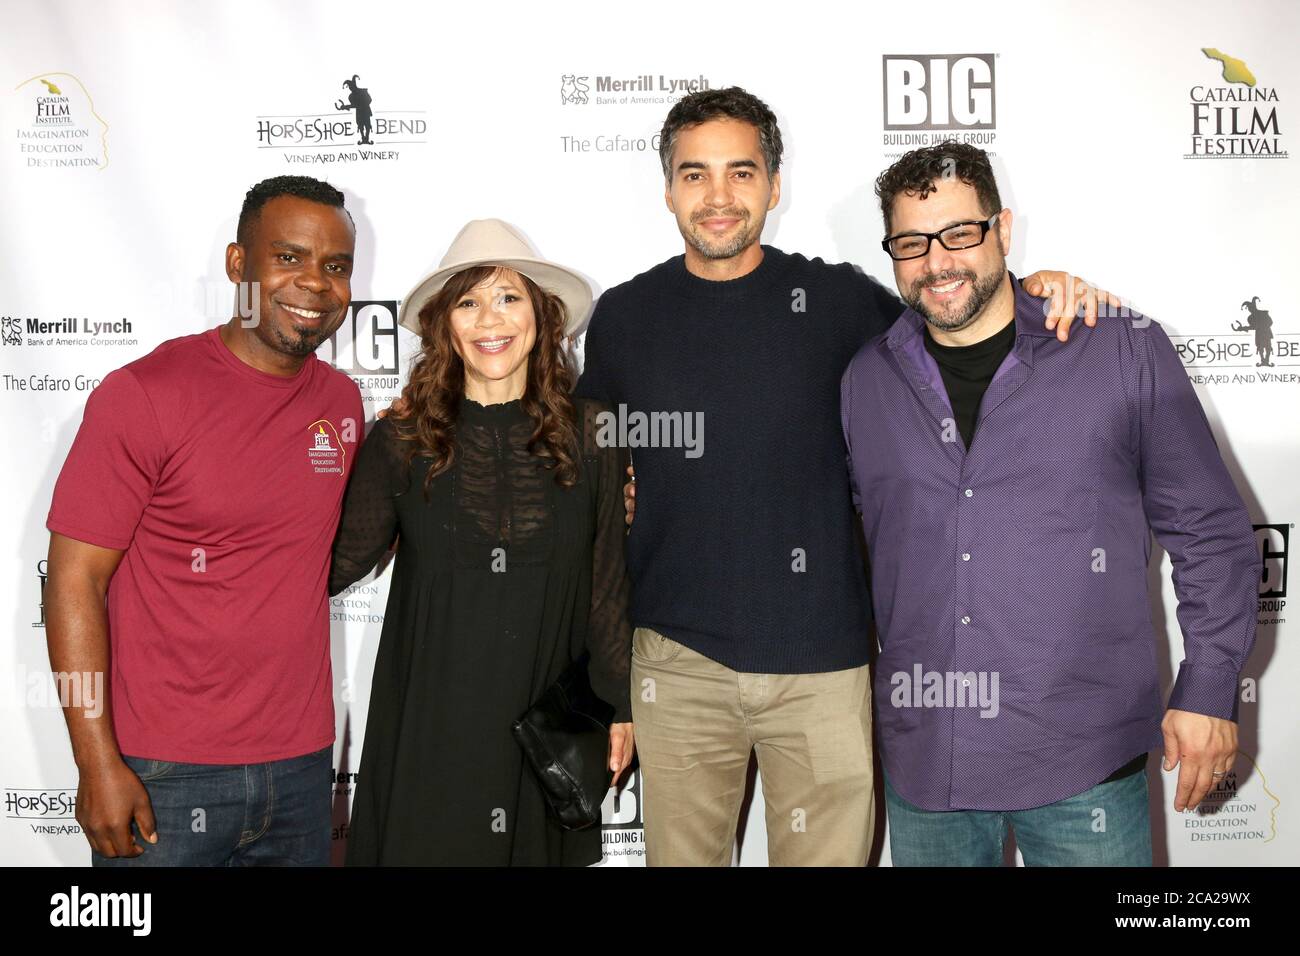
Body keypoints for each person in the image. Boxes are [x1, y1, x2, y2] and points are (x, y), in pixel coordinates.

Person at [582, 87, 1111, 866]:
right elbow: (590, 483)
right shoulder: (624, 316)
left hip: (824, 664)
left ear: (774, 183)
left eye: (741, 172)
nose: (719, 196)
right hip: (676, 664)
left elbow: (957, 314)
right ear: (667, 189)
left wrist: (1037, 288)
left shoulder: (836, 302)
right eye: (695, 175)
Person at [840, 142, 1260, 866]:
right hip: (927, 761)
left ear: (1003, 229)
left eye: (960, 234)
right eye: (912, 242)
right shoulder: (866, 380)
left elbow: (1212, 532)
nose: (938, 262)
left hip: (1082, 759)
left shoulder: (1121, 351)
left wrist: (1211, 686)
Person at [45, 175, 364, 865]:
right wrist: (97, 762)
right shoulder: (143, 395)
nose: (314, 283)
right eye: (289, 257)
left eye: (336, 267)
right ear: (237, 264)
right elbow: (72, 584)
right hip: (161, 771)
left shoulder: (341, 403)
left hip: (304, 770)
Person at [329, 219, 634, 866]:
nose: (489, 319)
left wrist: (620, 707)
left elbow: (608, 585)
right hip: (429, 730)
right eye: (467, 301)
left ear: (542, 316)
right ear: (445, 324)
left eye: (508, 297)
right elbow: (334, 564)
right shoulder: (401, 441)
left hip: (545, 735)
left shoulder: (596, 433)